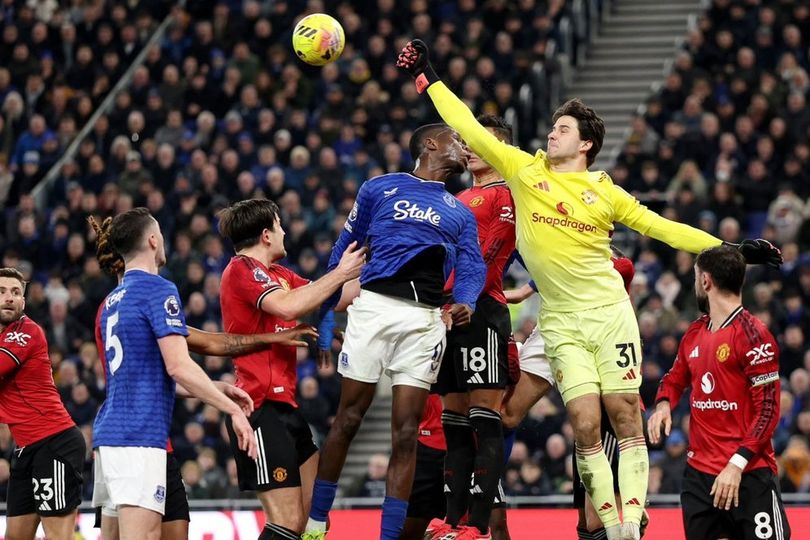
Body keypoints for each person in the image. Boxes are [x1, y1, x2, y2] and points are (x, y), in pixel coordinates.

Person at [397, 39, 782, 540]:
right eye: (553, 127)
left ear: (585, 145)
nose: (551, 134)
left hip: (609, 312)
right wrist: (426, 76)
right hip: (559, 320)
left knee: (624, 415)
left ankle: (629, 523)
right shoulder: (523, 170)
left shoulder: (604, 189)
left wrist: (730, 248)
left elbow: (662, 227)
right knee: (582, 424)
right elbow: (468, 125)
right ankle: (610, 529)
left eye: (562, 130)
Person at [303, 123, 486, 540]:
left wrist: (468, 302)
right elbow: (345, 248)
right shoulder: (379, 189)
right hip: (374, 310)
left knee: (406, 433)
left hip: (425, 321)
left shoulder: (460, 211)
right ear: (429, 144)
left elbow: (473, 266)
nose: (463, 147)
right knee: (348, 418)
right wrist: (329, 312)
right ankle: (316, 522)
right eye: (456, 140)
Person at [87, 216, 316, 540]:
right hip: (138, 437)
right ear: (153, 241)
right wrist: (232, 409)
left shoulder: (110, 304)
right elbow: (180, 365)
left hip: (111, 437)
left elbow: (148, 374)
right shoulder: (157, 289)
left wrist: (214, 387)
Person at [217, 198, 366, 540]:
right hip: (258, 406)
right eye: (280, 225)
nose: (285, 232)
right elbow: (286, 308)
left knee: (314, 520)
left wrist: (382, 269)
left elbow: (334, 296)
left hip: (286, 409)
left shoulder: (279, 275)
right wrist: (340, 272)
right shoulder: (242, 269)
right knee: (285, 523)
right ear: (267, 235)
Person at [502, 250, 650, 540]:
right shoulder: (563, 258)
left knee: (596, 518)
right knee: (584, 517)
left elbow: (610, 267)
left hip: (611, 410)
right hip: (586, 413)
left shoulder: (616, 267)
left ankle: (633, 503)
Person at [648, 245, 791, 539]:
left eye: (696, 276)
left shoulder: (754, 335)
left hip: (748, 473)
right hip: (700, 477)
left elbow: (768, 412)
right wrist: (663, 404)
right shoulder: (695, 332)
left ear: (706, 281)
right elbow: (674, 378)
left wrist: (736, 466)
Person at [429, 114, 516, 540]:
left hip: (478, 309)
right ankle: (452, 518)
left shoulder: (504, 196)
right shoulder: (461, 195)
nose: (466, 148)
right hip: (445, 313)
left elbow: (489, 251)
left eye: (476, 142)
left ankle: (479, 525)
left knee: (485, 418)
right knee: (454, 419)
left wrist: (461, 298)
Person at [0, 267, 86, 540]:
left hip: (55, 442)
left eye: (16, 292)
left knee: (58, 536)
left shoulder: (25, 332)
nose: (9, 298)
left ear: (24, 301)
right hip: (25, 448)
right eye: (1, 292)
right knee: (15, 536)